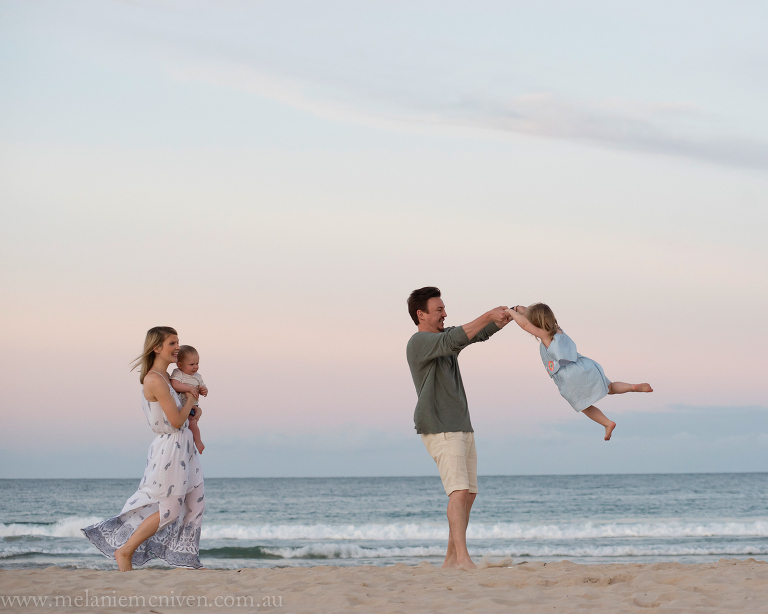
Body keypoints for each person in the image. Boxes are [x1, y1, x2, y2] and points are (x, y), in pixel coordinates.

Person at [82, 326, 205, 571]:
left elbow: (186, 415)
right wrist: (191, 398)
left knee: (195, 504)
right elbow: (176, 421)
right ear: (156, 348)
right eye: (172, 343)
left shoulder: (171, 379)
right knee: (169, 510)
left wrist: (194, 408)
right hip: (170, 448)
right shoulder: (153, 379)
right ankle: (124, 551)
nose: (177, 347)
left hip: (185, 445)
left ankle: (188, 562)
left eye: (178, 342)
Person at [406, 286, 512, 570]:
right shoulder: (419, 342)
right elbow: (457, 337)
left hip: (461, 424)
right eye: (439, 309)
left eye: (443, 309)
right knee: (458, 491)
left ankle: (451, 559)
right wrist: (487, 314)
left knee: (469, 493)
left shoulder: (444, 338)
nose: (444, 313)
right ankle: (464, 560)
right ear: (421, 314)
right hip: (440, 425)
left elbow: (476, 333)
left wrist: (504, 318)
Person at [507, 303, 653, 441]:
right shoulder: (558, 330)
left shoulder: (544, 335)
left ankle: (607, 423)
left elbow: (525, 324)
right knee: (610, 387)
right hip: (585, 366)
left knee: (583, 405)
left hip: (571, 377)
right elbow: (531, 315)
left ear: (535, 322)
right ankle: (633, 387)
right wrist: (517, 308)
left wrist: (510, 312)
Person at [170, 345, 207, 454]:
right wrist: (190, 388)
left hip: (192, 406)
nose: (195, 367)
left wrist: (203, 390)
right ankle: (197, 441)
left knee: (192, 422)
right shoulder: (178, 373)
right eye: (191, 364)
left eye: (197, 363)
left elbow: (202, 387)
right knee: (191, 423)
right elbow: (175, 385)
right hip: (182, 406)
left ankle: (198, 441)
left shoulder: (197, 376)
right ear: (180, 365)